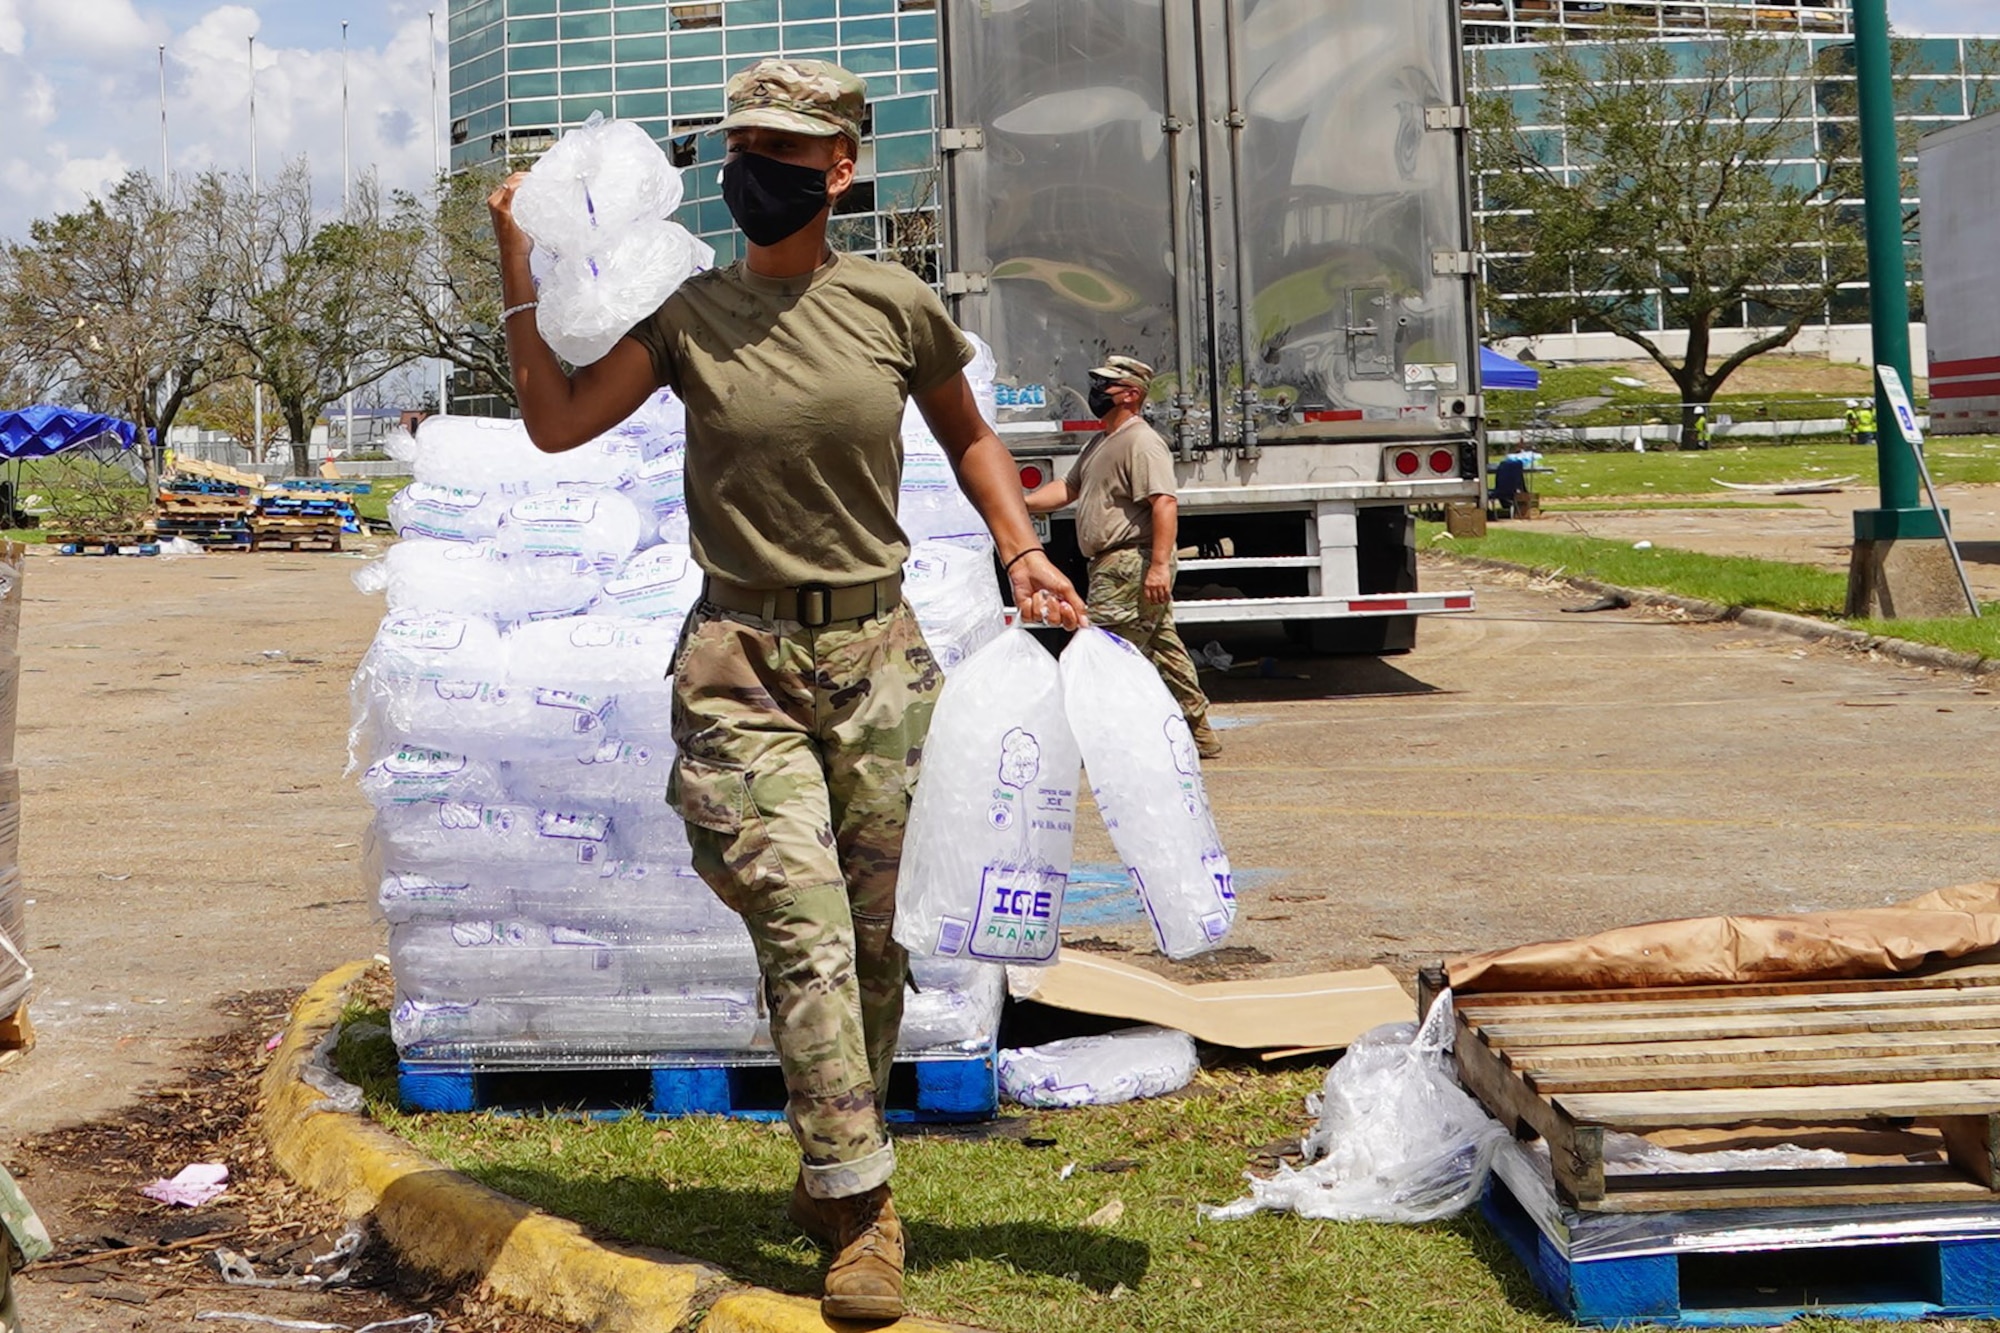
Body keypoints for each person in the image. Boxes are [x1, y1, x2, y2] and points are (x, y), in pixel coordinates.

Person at [485, 58, 1088, 1322]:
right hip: (737, 668)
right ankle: (861, 1204)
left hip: (880, 665)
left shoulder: (893, 305)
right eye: (743, 145)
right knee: (803, 929)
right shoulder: (689, 315)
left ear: (840, 168)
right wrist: (519, 265)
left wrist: (1022, 547)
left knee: (877, 947)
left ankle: (832, 1166)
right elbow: (554, 424)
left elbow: (967, 433)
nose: (757, 167)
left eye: (786, 148)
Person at [1024, 357, 1221, 759]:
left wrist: (1160, 565)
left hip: (1127, 563)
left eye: (1107, 386)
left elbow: (1164, 503)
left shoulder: (1140, 441)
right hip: (1115, 565)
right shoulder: (1101, 441)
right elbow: (1066, 488)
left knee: (1102, 653)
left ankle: (1099, 743)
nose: (1097, 392)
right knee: (1164, 649)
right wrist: (1017, 504)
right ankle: (1200, 732)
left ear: (1131, 394)